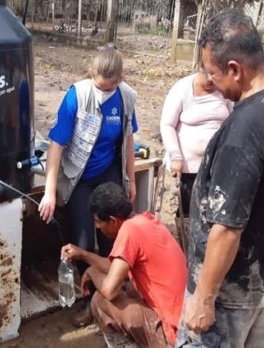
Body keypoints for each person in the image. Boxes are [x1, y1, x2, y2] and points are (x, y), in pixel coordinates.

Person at [175, 10, 264, 348]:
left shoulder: (245, 129)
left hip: (228, 291)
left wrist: (204, 297)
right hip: (263, 276)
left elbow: (228, 227)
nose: (210, 80)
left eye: (213, 72)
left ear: (235, 69)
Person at [39, 46, 138, 325]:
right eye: (99, 86)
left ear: (119, 81)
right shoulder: (78, 95)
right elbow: (56, 145)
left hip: (108, 172)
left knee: (113, 238)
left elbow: (129, 140)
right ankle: (90, 299)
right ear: (92, 76)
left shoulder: (126, 97)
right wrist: (49, 191)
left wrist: (128, 179)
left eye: (108, 88)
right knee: (83, 241)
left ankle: (111, 297)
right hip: (80, 174)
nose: (103, 91)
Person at [60, 182, 187, 348]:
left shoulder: (129, 231)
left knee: (100, 301)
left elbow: (109, 291)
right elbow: (115, 267)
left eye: (98, 221)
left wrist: (92, 273)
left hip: (173, 334)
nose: (97, 226)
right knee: (127, 287)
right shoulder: (145, 220)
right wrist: (84, 256)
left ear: (113, 220)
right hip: (186, 322)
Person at [159, 65, 232, 235]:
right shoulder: (182, 88)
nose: (212, 83)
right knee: (188, 206)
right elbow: (167, 124)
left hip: (216, 162)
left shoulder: (224, 90)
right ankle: (186, 243)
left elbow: (233, 118)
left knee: (212, 205)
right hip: (188, 164)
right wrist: (176, 156)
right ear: (200, 69)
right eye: (210, 78)